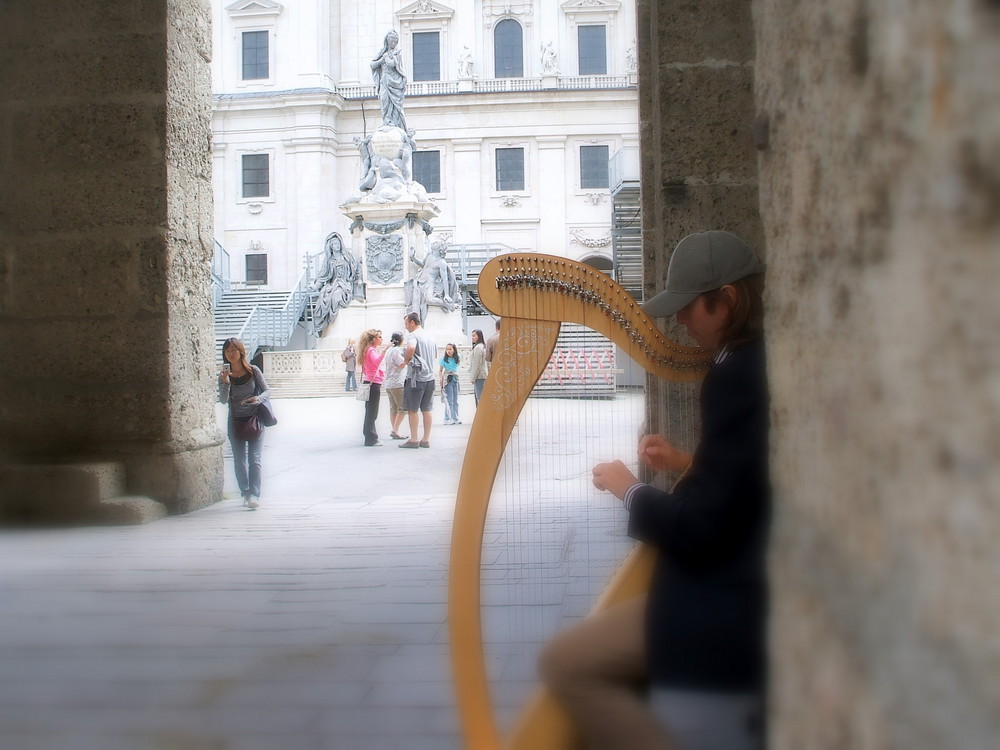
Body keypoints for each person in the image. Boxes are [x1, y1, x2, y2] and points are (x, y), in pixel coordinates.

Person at [538, 230, 769, 750]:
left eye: (689, 307)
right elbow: (752, 475)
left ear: (727, 299)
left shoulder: (734, 377)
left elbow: (705, 528)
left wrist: (629, 491)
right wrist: (688, 461)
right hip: (742, 577)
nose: (679, 321)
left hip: (727, 598)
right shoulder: (752, 363)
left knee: (565, 664)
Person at [217, 337, 272, 510]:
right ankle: (246, 492)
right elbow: (223, 400)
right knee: (239, 461)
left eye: (233, 350)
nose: (230, 354)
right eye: (227, 351)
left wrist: (258, 399)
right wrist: (225, 383)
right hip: (235, 423)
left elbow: (267, 390)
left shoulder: (253, 371)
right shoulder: (224, 376)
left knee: (254, 459)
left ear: (241, 351)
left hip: (255, 420)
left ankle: (255, 494)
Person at [398, 312, 437, 449]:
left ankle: (414, 439)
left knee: (412, 409)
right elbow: (436, 355)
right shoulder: (430, 336)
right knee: (427, 409)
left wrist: (406, 360)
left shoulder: (413, 335)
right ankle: (425, 439)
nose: (406, 327)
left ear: (412, 323)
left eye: (406, 324)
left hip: (417, 377)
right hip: (430, 377)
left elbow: (411, 347)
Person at [312, 232, 364, 333]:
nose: (337, 245)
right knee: (325, 297)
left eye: (338, 243)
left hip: (345, 284)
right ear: (331, 247)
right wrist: (316, 286)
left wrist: (359, 279)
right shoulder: (329, 261)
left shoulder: (347, 257)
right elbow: (323, 275)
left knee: (336, 295)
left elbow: (356, 268)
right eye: (335, 244)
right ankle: (330, 324)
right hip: (333, 284)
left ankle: (334, 322)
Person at [358, 329, 389, 447]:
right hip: (373, 384)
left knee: (369, 411)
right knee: (372, 412)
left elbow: (367, 368)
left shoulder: (368, 350)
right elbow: (376, 363)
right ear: (374, 339)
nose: (381, 339)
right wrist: (384, 351)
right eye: (379, 337)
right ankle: (371, 438)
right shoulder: (371, 350)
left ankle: (369, 435)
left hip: (369, 381)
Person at [371, 30, 407, 131]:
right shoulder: (382, 53)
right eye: (392, 41)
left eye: (395, 41)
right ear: (387, 41)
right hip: (384, 81)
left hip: (394, 83)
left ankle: (394, 122)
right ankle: (387, 120)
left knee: (395, 105)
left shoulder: (397, 55)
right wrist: (382, 60)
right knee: (384, 100)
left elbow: (393, 65)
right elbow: (372, 65)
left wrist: (388, 59)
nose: (393, 43)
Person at [383, 331, 409, 440]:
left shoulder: (389, 350)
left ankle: (395, 430)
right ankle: (395, 430)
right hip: (397, 383)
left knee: (393, 408)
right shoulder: (397, 351)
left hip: (388, 382)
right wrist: (408, 359)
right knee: (402, 408)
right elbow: (402, 364)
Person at [439, 343, 461, 425]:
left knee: (455, 400)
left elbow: (457, 366)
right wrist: (441, 379)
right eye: (447, 349)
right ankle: (447, 418)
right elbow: (440, 371)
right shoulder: (443, 359)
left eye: (450, 349)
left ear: (454, 350)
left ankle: (455, 417)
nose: (448, 351)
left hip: (455, 379)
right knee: (449, 400)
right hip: (448, 380)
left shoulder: (457, 358)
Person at [468, 329, 488, 406]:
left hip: (479, 377)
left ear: (479, 336)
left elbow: (476, 364)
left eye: (474, 336)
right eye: (472, 336)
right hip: (483, 375)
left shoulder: (478, 348)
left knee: (480, 399)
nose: (472, 338)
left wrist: (473, 378)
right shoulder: (482, 346)